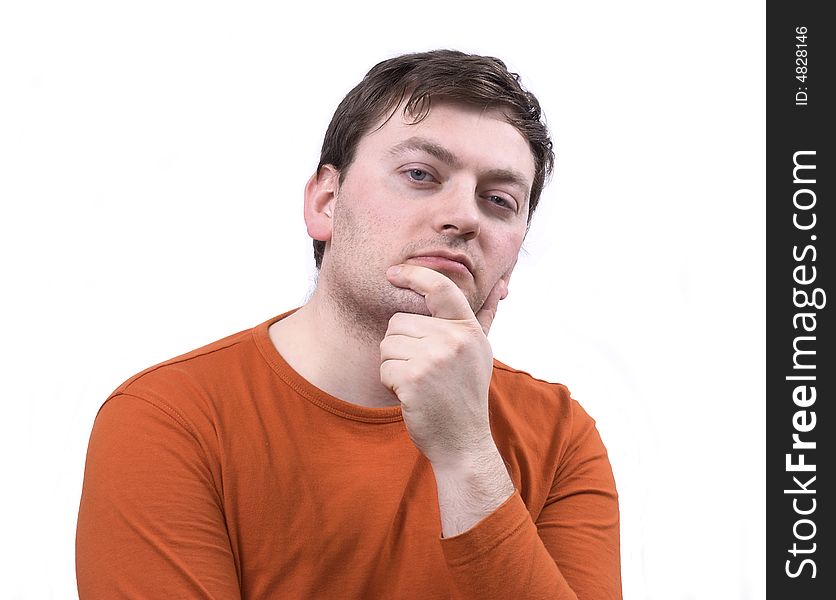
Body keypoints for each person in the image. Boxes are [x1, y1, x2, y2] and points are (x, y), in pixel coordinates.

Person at [76, 49, 622, 599]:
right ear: (326, 202)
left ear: (513, 256)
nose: (464, 216)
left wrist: (466, 453)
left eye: (499, 200)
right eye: (419, 174)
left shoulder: (560, 437)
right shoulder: (168, 418)